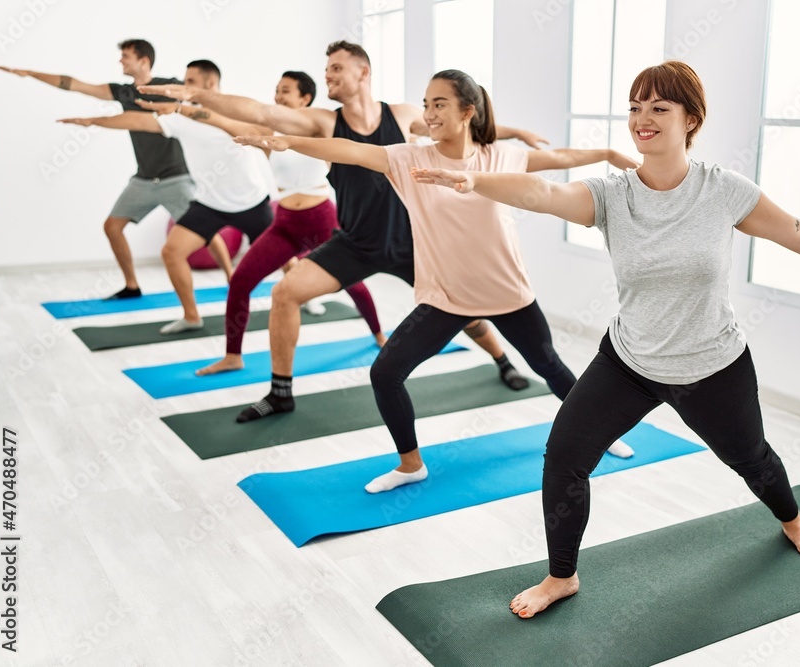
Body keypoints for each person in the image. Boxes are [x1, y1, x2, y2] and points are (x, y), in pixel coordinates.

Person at [412, 61, 800, 618]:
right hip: (631, 360)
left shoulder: (722, 191)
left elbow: (795, 231)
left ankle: (792, 520)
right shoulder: (612, 195)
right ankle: (560, 577)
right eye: (635, 107)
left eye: (659, 108)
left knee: (752, 460)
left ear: (690, 119)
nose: (643, 120)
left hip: (713, 363)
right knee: (564, 459)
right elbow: (543, 194)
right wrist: (475, 180)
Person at [234, 68, 641, 492]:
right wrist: (287, 141)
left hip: (508, 293)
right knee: (385, 373)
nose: (427, 113)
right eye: (425, 104)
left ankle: (600, 437)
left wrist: (609, 154)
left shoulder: (501, 155)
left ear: (468, 111)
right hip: (446, 299)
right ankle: (410, 464)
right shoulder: (410, 158)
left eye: (439, 104)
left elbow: (561, 158)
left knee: (550, 368)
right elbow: (349, 150)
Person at [139, 41, 543, 409]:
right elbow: (263, 113)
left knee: (466, 313)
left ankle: (503, 361)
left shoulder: (402, 116)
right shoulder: (323, 122)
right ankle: (280, 393)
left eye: (335, 69)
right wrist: (197, 95)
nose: (328, 76)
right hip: (354, 242)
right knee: (285, 293)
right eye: (326, 69)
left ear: (363, 73)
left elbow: (461, 127)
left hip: (413, 243)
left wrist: (515, 132)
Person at [160, 70, 386, 375]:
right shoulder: (270, 133)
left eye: (286, 91)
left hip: (321, 218)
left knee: (352, 283)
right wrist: (181, 106)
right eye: (277, 90)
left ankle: (379, 335)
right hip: (285, 222)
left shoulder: (323, 130)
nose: (278, 96)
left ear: (305, 98)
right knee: (240, 281)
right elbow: (223, 120)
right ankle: (232, 356)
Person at [0, 40, 232, 298]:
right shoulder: (124, 92)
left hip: (176, 178)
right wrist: (31, 74)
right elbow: (74, 84)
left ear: (144, 61)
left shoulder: (169, 86)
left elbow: (203, 100)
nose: (121, 61)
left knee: (205, 232)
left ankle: (232, 277)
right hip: (143, 180)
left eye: (126, 56)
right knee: (112, 226)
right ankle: (132, 285)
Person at [59, 60, 275, 334]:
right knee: (171, 252)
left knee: (285, 256)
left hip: (251, 202)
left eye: (191, 82)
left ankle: (309, 299)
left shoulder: (235, 112)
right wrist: (94, 121)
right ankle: (191, 315)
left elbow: (264, 131)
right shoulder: (181, 116)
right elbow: (139, 120)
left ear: (210, 84)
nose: (185, 87)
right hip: (209, 203)